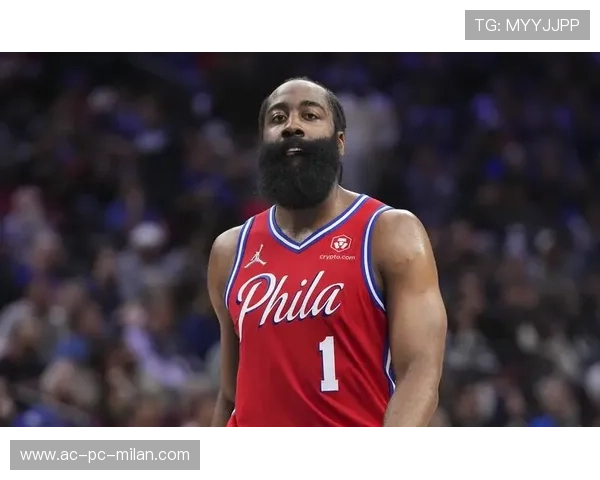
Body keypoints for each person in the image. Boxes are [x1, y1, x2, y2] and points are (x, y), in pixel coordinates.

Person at [207, 78, 447, 428]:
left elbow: (419, 370)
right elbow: (231, 395)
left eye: (310, 115)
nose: (292, 126)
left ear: (340, 142)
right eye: (278, 118)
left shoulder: (389, 232)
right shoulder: (229, 251)